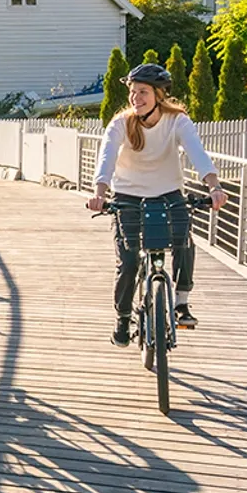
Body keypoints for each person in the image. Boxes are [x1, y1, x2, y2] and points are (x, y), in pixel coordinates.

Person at [87, 62, 227, 347]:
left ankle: (181, 303)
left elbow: (197, 153)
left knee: (184, 243)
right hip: (127, 195)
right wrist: (100, 194)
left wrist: (214, 187)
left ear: (159, 95)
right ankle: (123, 318)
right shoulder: (121, 123)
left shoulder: (177, 121)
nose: (135, 98)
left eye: (143, 92)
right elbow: (106, 159)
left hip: (168, 193)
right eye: (133, 92)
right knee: (128, 261)